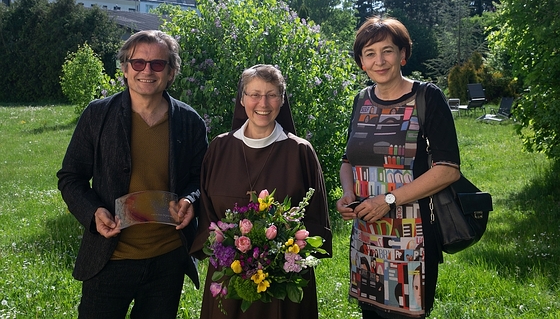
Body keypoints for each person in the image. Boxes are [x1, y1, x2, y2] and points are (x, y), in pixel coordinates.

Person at [57, 30, 208, 318]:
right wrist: (93, 212)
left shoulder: (189, 122)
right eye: (138, 63)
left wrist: (190, 199)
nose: (147, 71)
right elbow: (70, 177)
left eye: (158, 64)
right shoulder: (98, 115)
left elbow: (200, 178)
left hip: (167, 260)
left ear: (171, 72)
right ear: (125, 69)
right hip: (109, 258)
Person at [336, 16, 461, 319]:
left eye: (387, 51)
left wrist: (388, 200)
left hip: (412, 240)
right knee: (372, 314)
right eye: (370, 53)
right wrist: (349, 194)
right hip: (367, 238)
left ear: (403, 54)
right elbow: (348, 160)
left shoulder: (427, 97)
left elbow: (448, 169)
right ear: (361, 63)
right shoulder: (361, 101)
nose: (379, 60)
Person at [190, 64, 332, 319]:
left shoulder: (300, 152)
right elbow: (207, 214)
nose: (263, 103)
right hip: (229, 276)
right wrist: (231, 252)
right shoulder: (219, 148)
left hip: (283, 281)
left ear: (282, 99)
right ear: (242, 98)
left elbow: (315, 218)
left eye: (272, 94)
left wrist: (284, 255)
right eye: (254, 94)